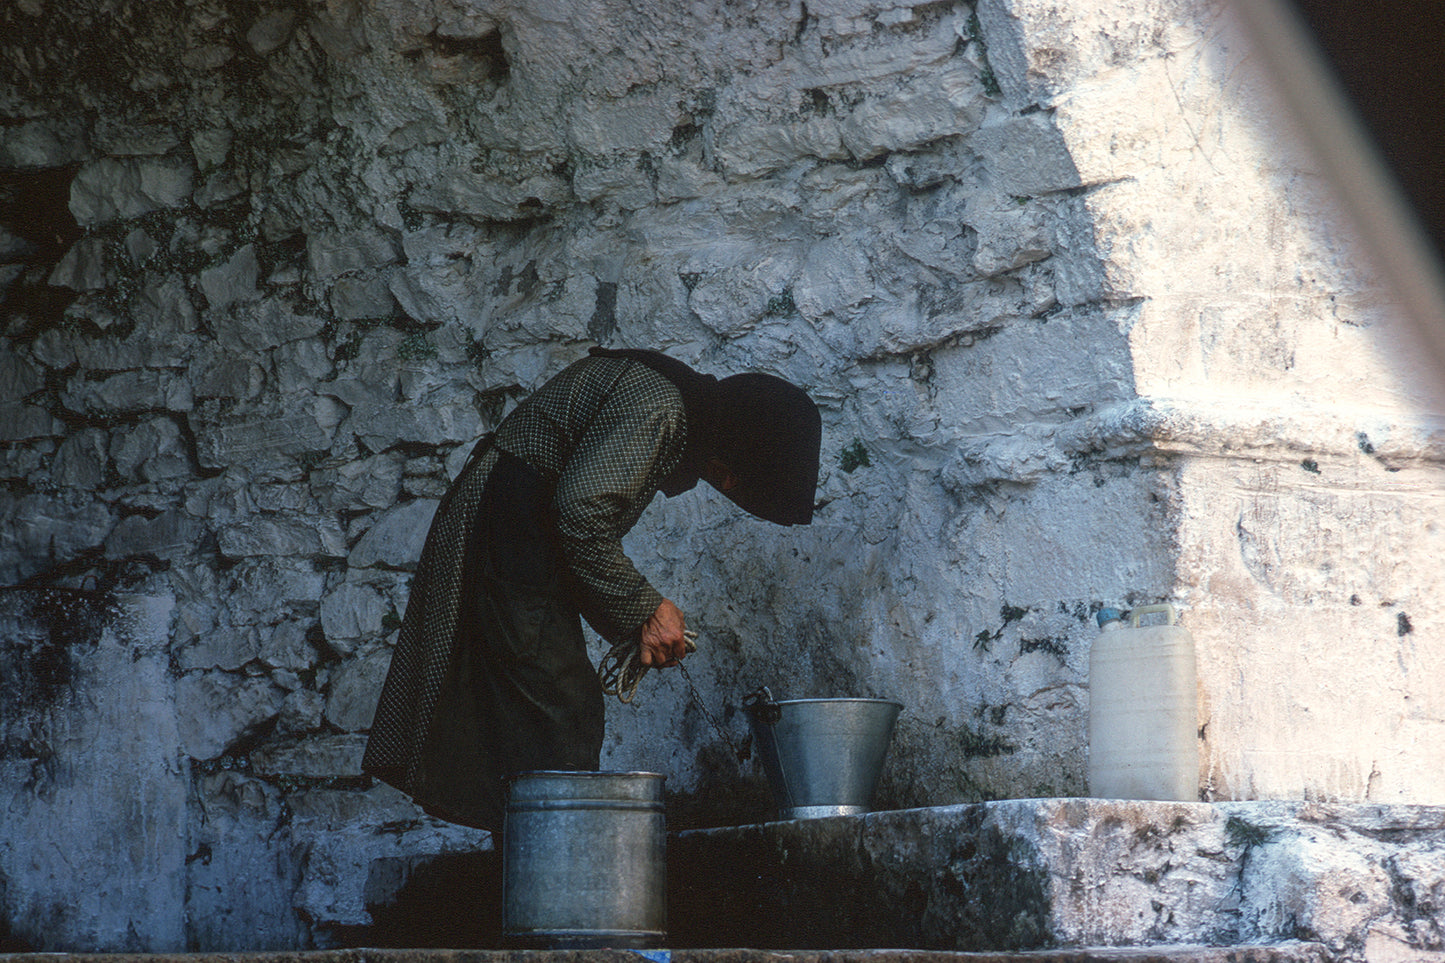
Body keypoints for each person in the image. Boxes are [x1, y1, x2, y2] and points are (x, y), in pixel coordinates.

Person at [361, 347, 823, 831]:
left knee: (548, 711)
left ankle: (531, 855)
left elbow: (579, 525)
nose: (724, 486)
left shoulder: (673, 402)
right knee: (559, 712)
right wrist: (647, 609)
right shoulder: (662, 410)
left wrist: (635, 624)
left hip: (518, 533)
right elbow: (581, 516)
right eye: (734, 483)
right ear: (728, 466)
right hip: (507, 529)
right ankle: (550, 864)